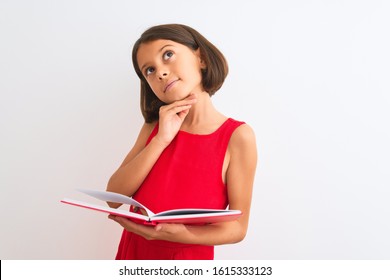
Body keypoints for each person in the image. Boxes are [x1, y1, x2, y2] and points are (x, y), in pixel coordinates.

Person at [106, 23, 257, 260]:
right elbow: (113, 198)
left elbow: (238, 229)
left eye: (168, 54)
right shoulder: (153, 128)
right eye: (149, 71)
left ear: (202, 58)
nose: (161, 73)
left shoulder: (238, 136)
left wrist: (180, 234)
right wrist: (161, 140)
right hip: (133, 254)